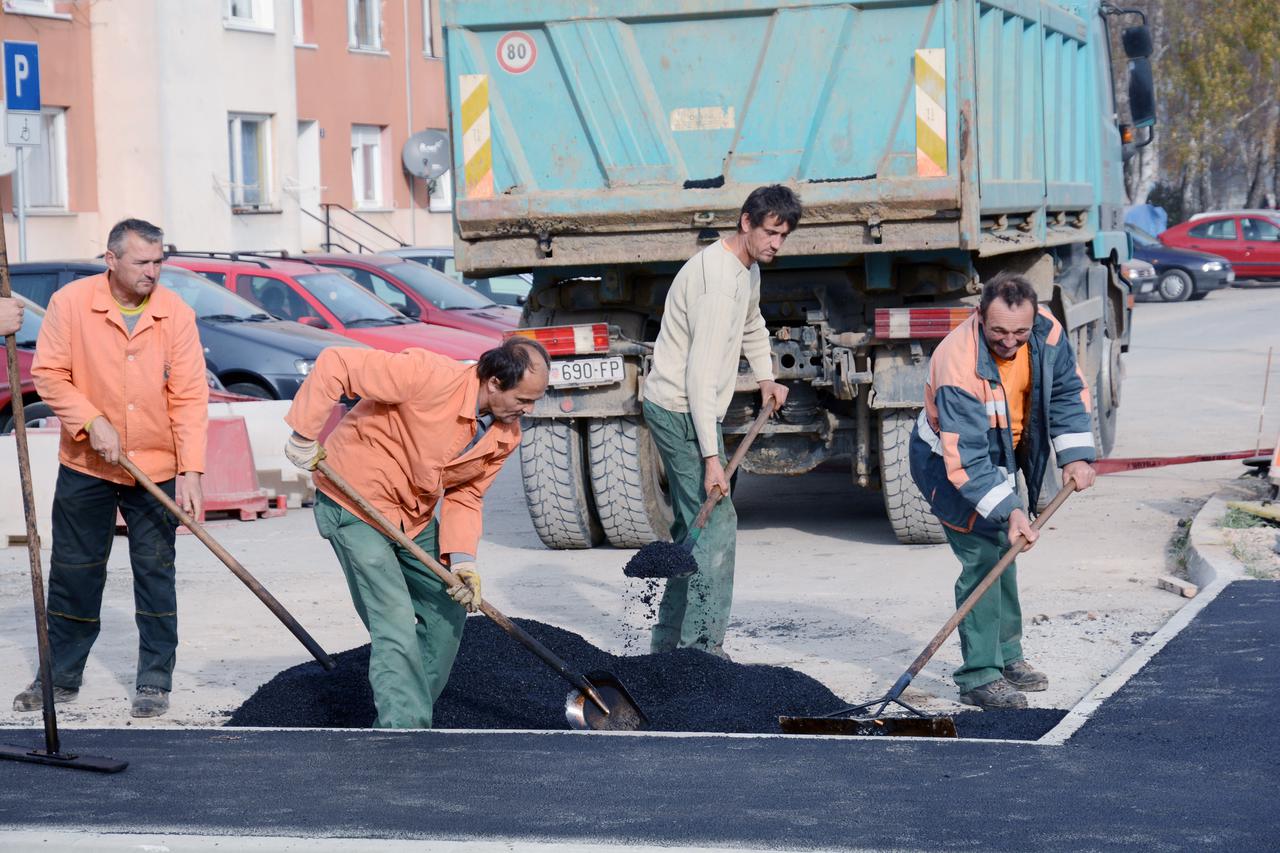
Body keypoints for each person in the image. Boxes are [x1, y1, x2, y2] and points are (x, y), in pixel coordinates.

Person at [283, 337, 549, 728]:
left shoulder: (505, 435)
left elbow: (467, 493)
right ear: (493, 382)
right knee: (393, 619)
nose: (528, 410)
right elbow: (335, 362)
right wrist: (304, 435)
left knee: (447, 608)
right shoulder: (429, 376)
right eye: (523, 400)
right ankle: (401, 736)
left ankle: (406, 712)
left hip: (413, 517)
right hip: (355, 505)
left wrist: (463, 563)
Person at [13, 218, 208, 719]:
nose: (153, 271)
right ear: (112, 259)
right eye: (142, 262)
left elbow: (188, 397)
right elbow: (49, 374)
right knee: (75, 573)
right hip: (87, 464)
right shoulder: (72, 304)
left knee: (155, 572)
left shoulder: (175, 313)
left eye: (159, 261)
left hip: (157, 467)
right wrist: (90, 421)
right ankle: (60, 675)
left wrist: (191, 470)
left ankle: (154, 680)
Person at [909, 272, 1097, 709]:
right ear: (979, 315)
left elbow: (1068, 392)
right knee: (981, 557)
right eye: (998, 332)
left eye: (1019, 332)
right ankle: (979, 676)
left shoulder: (1047, 333)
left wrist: (1076, 456)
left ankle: (1007, 657)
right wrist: (1012, 509)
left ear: (1034, 318)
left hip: (1000, 456)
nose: (1010, 342)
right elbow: (967, 459)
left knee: (1005, 552)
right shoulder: (957, 361)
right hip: (948, 463)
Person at [640, 184, 800, 657]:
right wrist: (713, 459)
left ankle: (668, 646)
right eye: (770, 232)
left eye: (783, 235)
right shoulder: (715, 283)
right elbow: (700, 378)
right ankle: (700, 650)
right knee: (716, 523)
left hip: (688, 406)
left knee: (694, 527)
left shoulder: (745, 269)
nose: (776, 243)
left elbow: (752, 323)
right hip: (678, 408)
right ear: (746, 223)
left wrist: (767, 376)